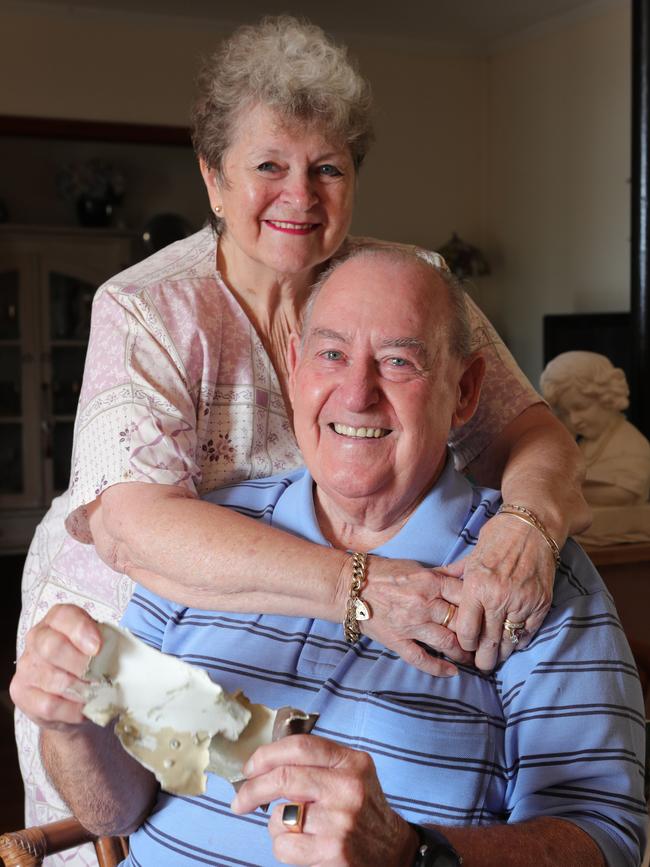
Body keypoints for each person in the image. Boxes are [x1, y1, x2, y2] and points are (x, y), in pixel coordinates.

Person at [16, 15, 590, 852]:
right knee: (181, 830)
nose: (301, 195)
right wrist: (362, 588)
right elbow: (133, 526)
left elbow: (531, 428)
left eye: (328, 167)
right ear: (213, 178)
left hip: (328, 634)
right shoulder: (149, 307)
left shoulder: (405, 284)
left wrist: (528, 525)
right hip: (152, 640)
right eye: (268, 166)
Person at [12, 247, 644, 867]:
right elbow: (116, 811)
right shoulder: (211, 534)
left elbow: (604, 839)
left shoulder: (524, 574)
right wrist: (75, 726)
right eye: (332, 355)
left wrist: (410, 852)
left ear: (466, 391)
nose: (357, 393)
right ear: (295, 369)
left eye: (398, 362)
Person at [540, 351, 650, 506]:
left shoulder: (631, 445)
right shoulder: (582, 444)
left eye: (581, 407)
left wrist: (561, 490)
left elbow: (625, 493)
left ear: (607, 397)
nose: (574, 420)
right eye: (565, 413)